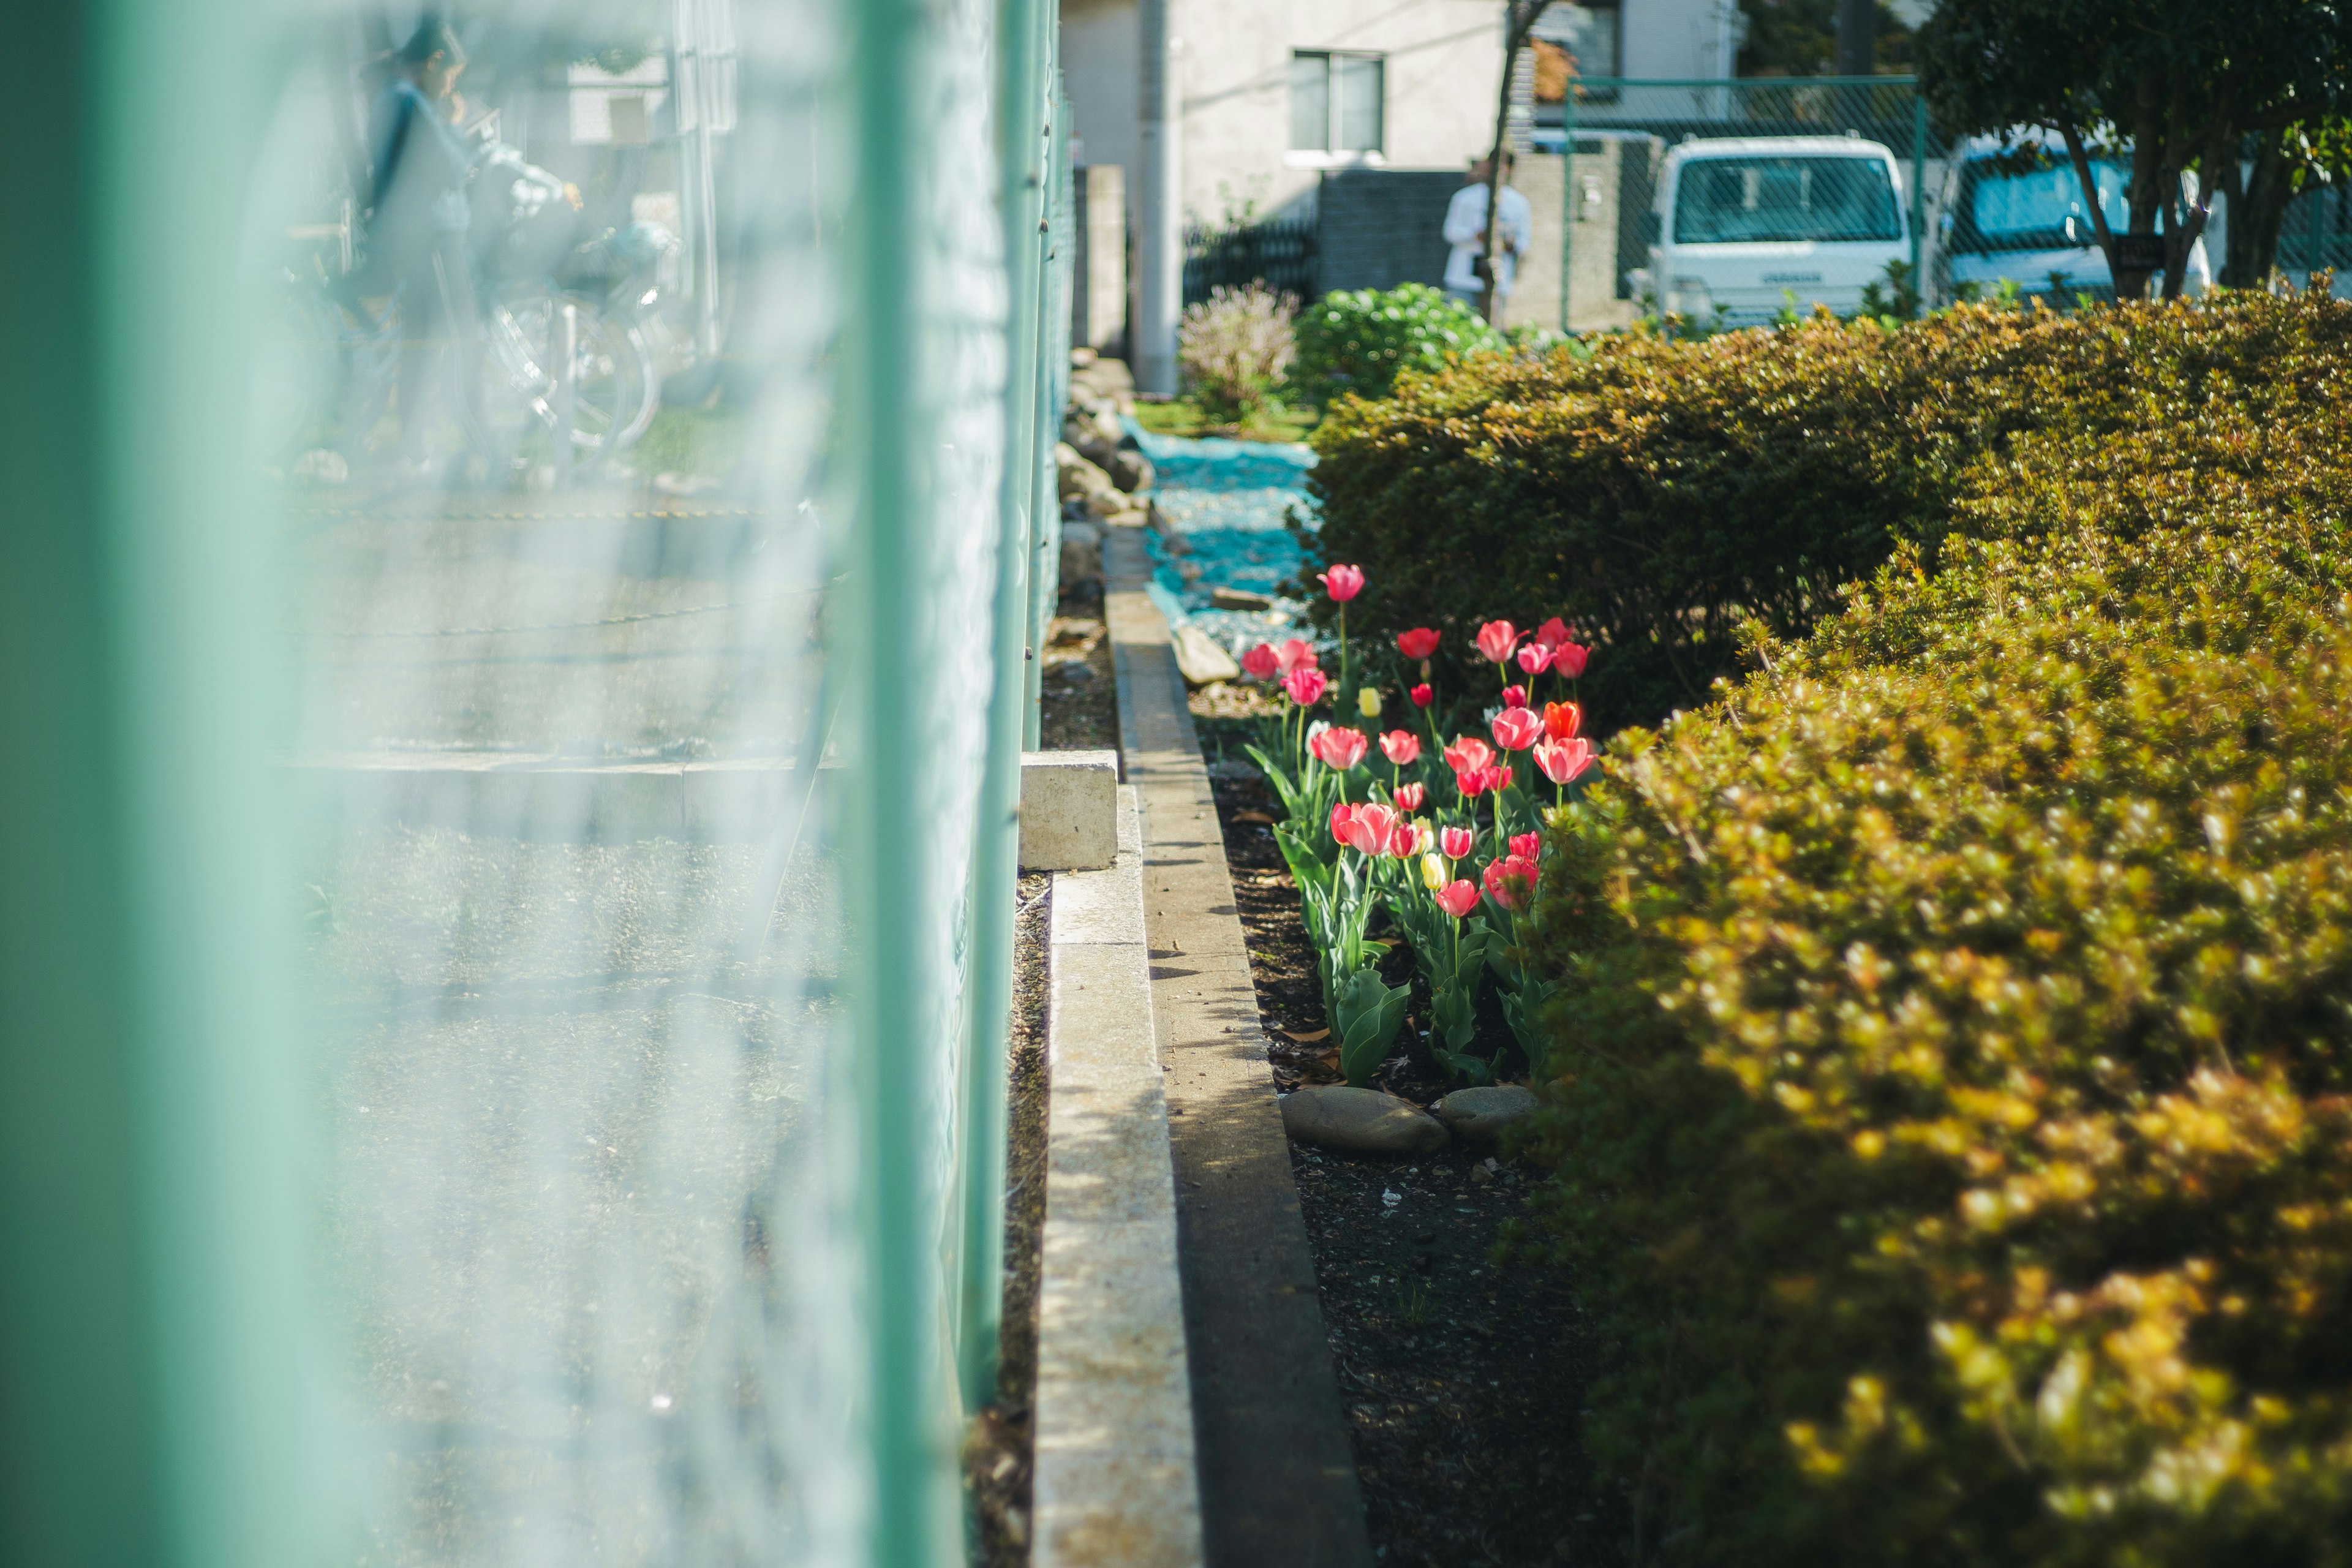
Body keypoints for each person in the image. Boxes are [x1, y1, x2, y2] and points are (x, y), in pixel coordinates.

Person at [358, 17, 479, 469]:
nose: (450, 87)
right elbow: (451, 162)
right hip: (436, 238)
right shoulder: (411, 100)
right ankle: (479, 443)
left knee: (421, 340)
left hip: (419, 237)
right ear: (433, 63)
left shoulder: (395, 97)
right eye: (450, 76)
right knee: (463, 339)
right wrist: (456, 122)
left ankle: (414, 443)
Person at [1442, 152, 1532, 315]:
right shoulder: (1465, 198)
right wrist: (1475, 235)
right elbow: (1450, 232)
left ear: (1510, 169)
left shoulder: (1518, 203)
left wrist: (1509, 243)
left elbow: (1524, 242)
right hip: (1462, 277)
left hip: (1498, 278)